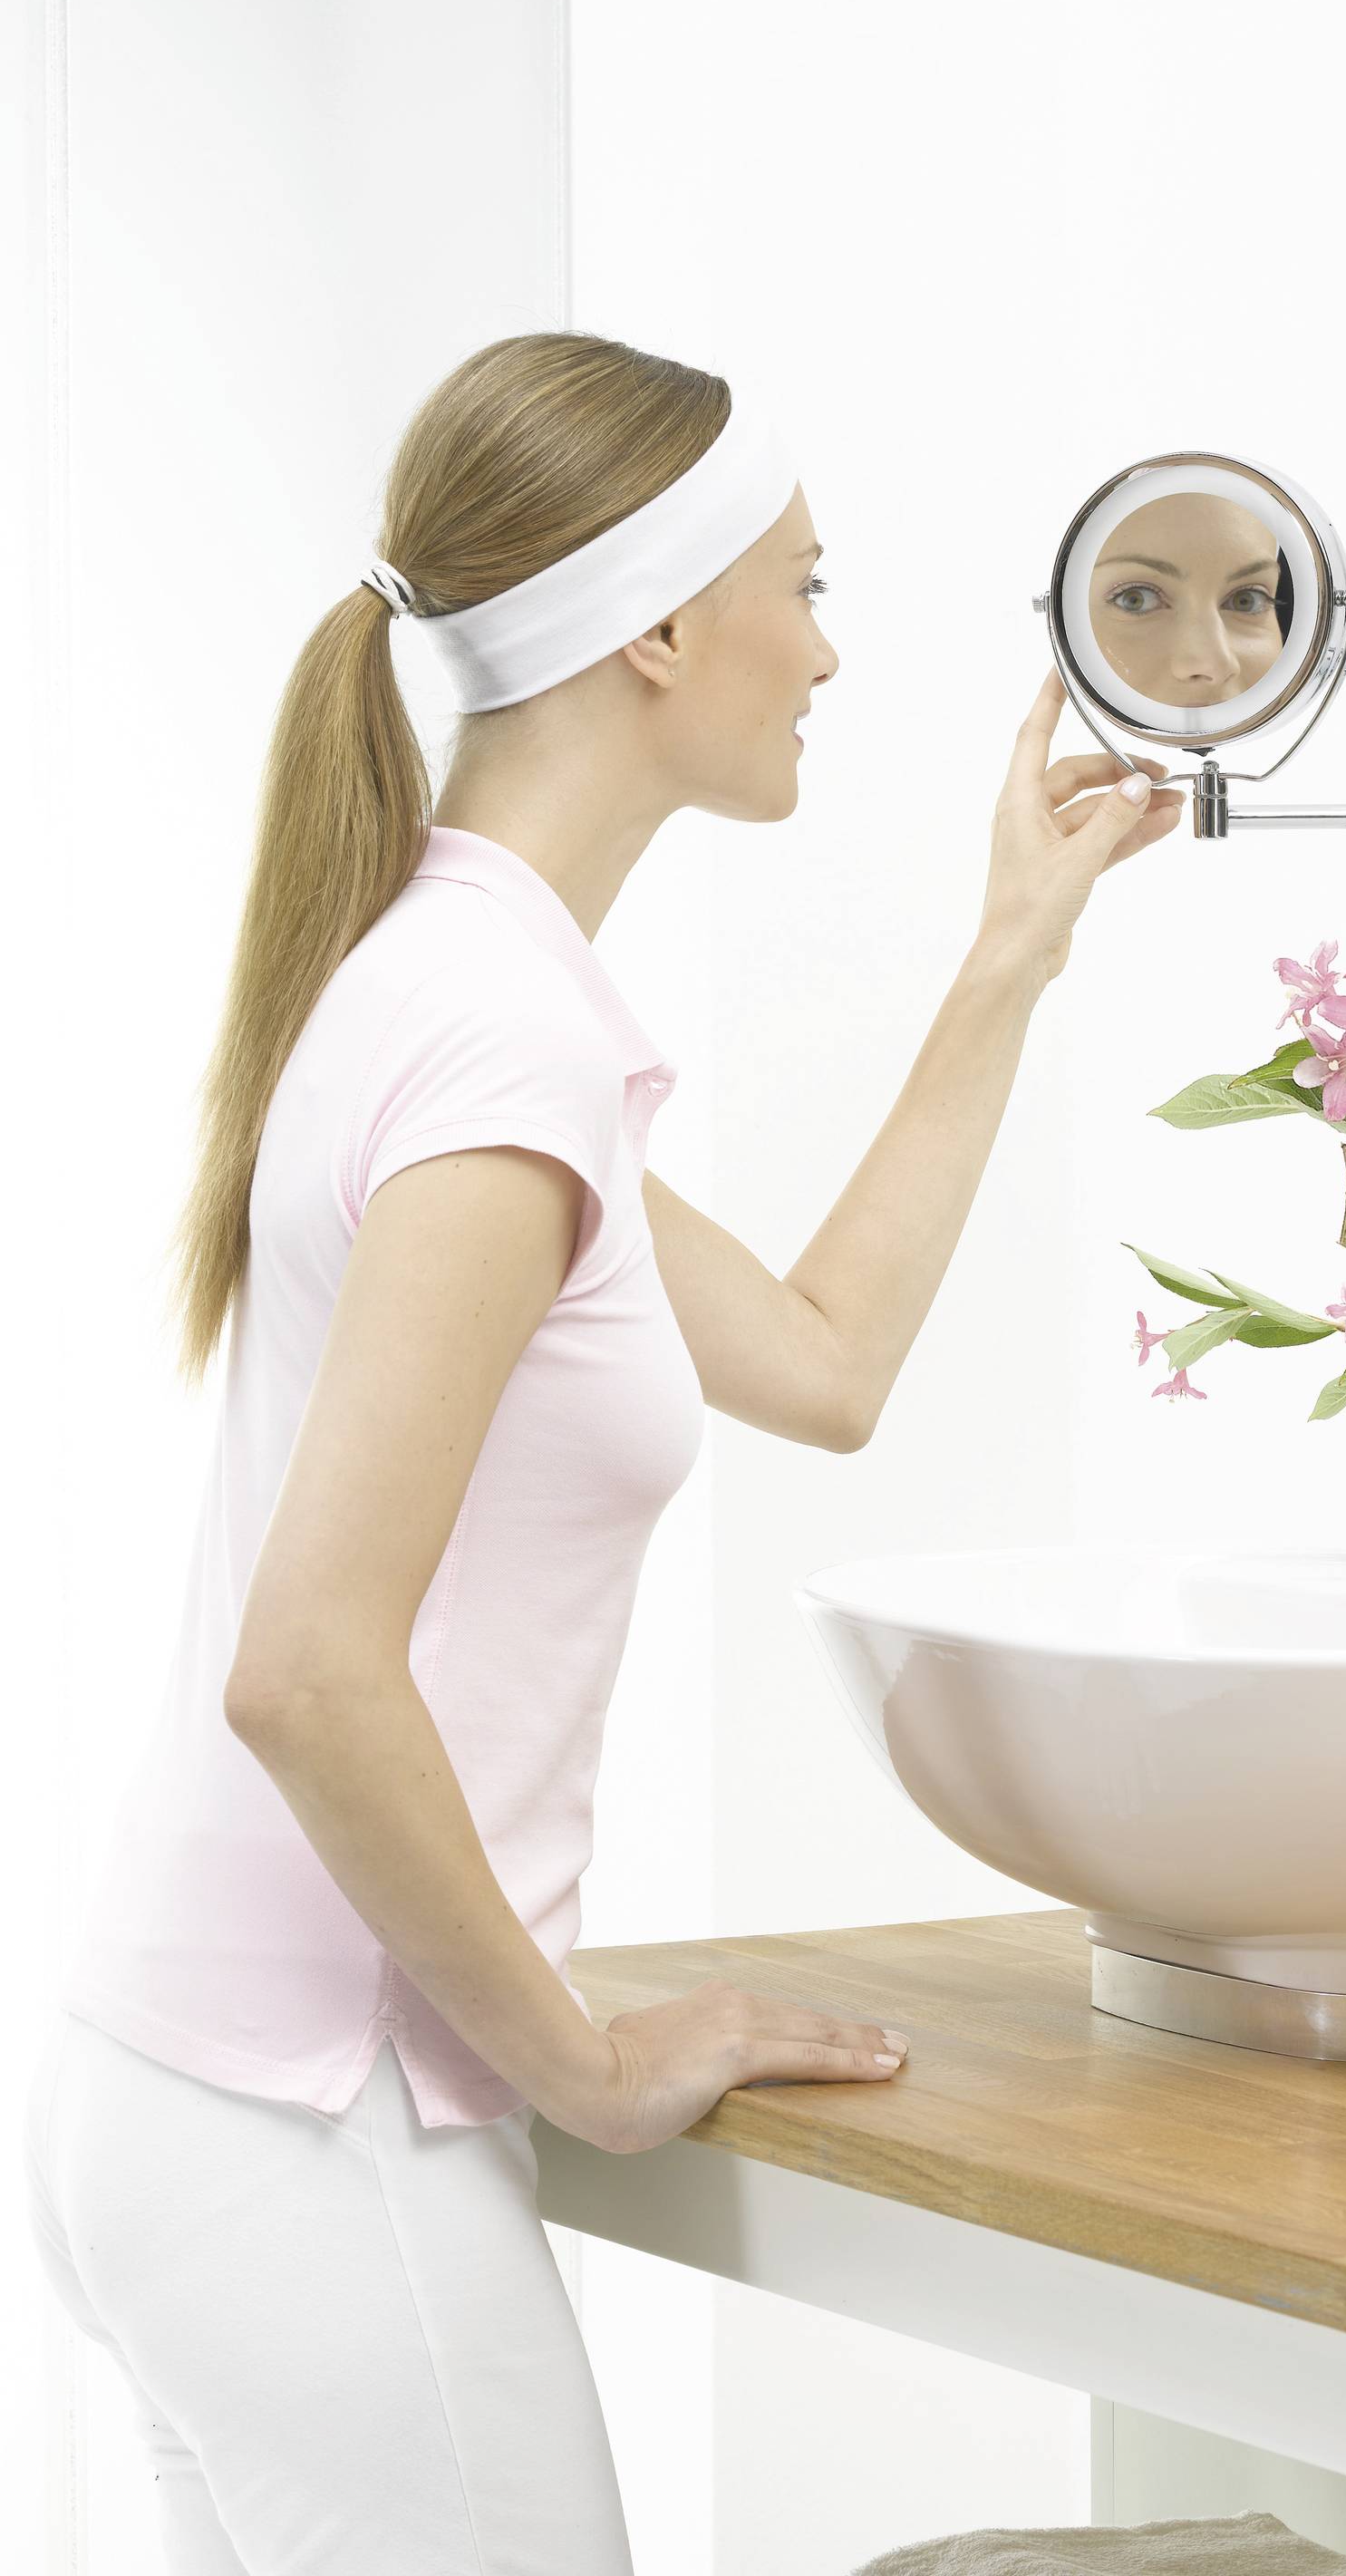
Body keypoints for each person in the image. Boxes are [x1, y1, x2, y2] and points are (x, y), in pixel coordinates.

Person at [20, 332, 1184, 2574]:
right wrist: (585, 2061)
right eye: (804, 588)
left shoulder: (449, 985)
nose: (828, 653)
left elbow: (827, 1363)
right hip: (318, 2133)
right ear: (657, 627)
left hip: (186, 2106)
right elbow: (309, 1671)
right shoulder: (498, 1041)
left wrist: (1009, 958)